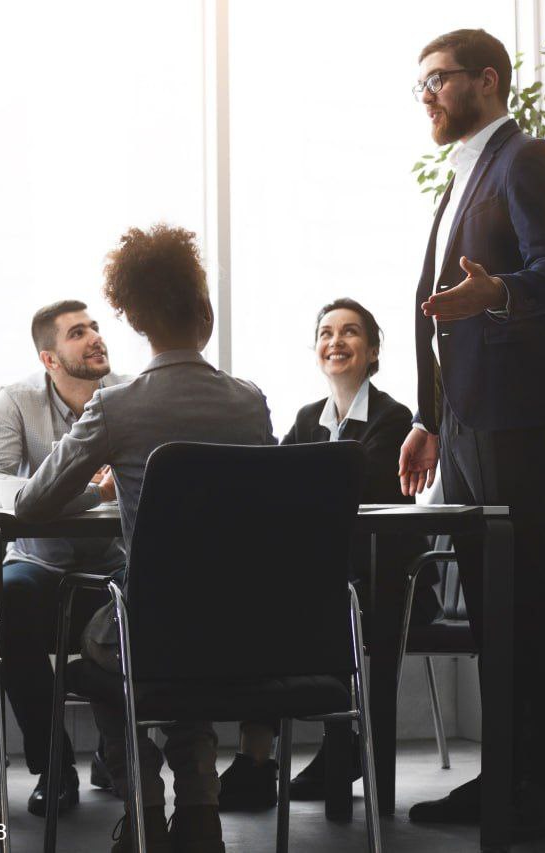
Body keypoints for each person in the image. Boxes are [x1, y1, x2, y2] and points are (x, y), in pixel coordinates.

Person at [15, 224, 274, 853]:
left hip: (154, 624)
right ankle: (201, 808)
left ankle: (145, 805)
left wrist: (100, 491)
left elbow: (30, 505)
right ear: (204, 311)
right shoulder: (249, 402)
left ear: (131, 319)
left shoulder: (118, 406)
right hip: (246, 623)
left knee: (111, 639)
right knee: (180, 638)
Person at [398, 28, 545, 841]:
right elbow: (439, 313)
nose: (427, 95)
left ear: (488, 80)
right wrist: (428, 417)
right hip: (466, 417)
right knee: (489, 602)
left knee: (525, 595)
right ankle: (502, 774)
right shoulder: (463, 172)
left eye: (438, 79)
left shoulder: (524, 159)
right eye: (421, 84)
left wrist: (497, 292)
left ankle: (542, 786)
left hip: (515, 411)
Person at [218, 298, 441, 809]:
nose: (335, 341)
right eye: (326, 333)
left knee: (305, 609)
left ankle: (333, 749)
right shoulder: (307, 419)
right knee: (259, 606)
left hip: (392, 587)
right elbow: (275, 485)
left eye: (350, 332)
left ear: (373, 351)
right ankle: (260, 757)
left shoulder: (393, 418)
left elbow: (346, 490)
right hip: (332, 583)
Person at [0, 299, 128, 816]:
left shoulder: (129, 394)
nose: (95, 337)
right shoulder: (16, 401)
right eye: (77, 333)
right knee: (9, 601)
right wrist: (90, 493)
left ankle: (115, 752)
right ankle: (54, 764)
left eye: (95, 327)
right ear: (49, 359)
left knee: (150, 593)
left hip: (112, 562)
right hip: (38, 562)